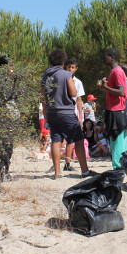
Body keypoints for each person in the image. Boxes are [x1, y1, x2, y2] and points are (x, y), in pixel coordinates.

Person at [40, 49, 96, 179]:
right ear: (63, 61)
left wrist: (45, 113)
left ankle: (57, 172)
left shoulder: (45, 76)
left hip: (52, 112)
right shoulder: (66, 75)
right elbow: (73, 93)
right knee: (78, 139)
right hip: (66, 111)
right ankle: (85, 171)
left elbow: (43, 96)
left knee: (56, 139)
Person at [99, 48, 127, 169]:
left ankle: (118, 167)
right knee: (117, 139)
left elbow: (122, 92)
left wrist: (106, 88)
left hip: (117, 110)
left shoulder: (117, 72)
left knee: (117, 139)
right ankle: (120, 165)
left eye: (105, 56)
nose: (103, 58)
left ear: (112, 57)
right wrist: (105, 87)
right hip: (114, 109)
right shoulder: (114, 71)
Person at [0, 55, 19, 181]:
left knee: (8, 144)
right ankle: (0, 172)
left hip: (9, 115)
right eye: (10, 65)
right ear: (3, 66)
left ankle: (4, 171)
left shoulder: (11, 80)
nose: (12, 68)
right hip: (1, 116)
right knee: (1, 144)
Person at [63, 58, 85, 171]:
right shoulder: (62, 79)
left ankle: (67, 162)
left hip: (73, 112)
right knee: (60, 138)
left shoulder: (78, 82)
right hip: (63, 110)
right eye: (68, 67)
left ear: (76, 69)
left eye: (72, 67)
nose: (70, 69)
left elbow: (79, 100)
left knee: (72, 138)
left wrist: (80, 116)